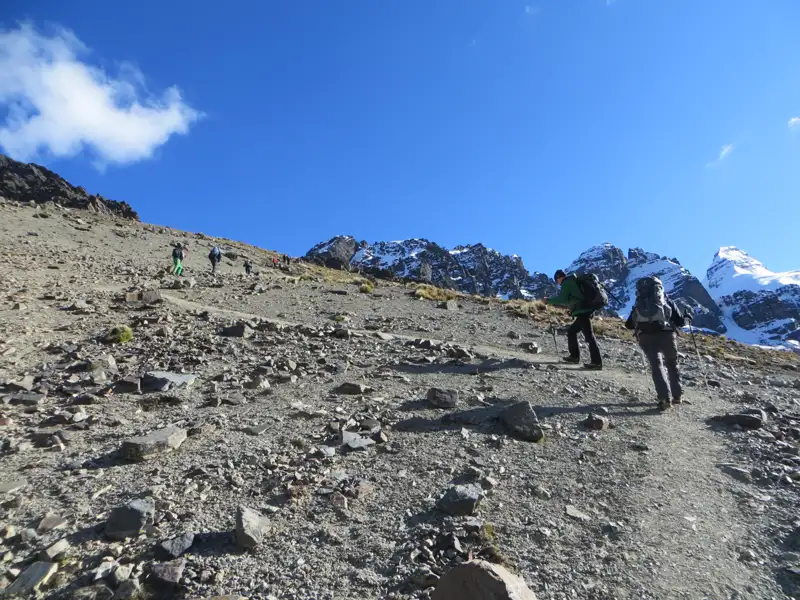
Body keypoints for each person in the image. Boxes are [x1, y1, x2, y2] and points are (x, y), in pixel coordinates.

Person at [625, 276, 692, 410]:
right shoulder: (665, 300)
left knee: (657, 365)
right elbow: (679, 321)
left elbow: (629, 324)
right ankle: (677, 396)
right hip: (667, 335)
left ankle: (664, 398)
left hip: (646, 337)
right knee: (672, 363)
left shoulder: (639, 302)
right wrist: (687, 317)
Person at [546, 269, 603, 370]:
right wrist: (573, 311)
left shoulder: (567, 282)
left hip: (584, 313)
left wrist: (548, 301)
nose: (557, 283)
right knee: (572, 331)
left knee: (589, 336)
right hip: (584, 312)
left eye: (556, 280)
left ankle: (596, 362)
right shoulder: (572, 281)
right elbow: (576, 298)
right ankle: (574, 357)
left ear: (559, 277)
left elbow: (562, 299)